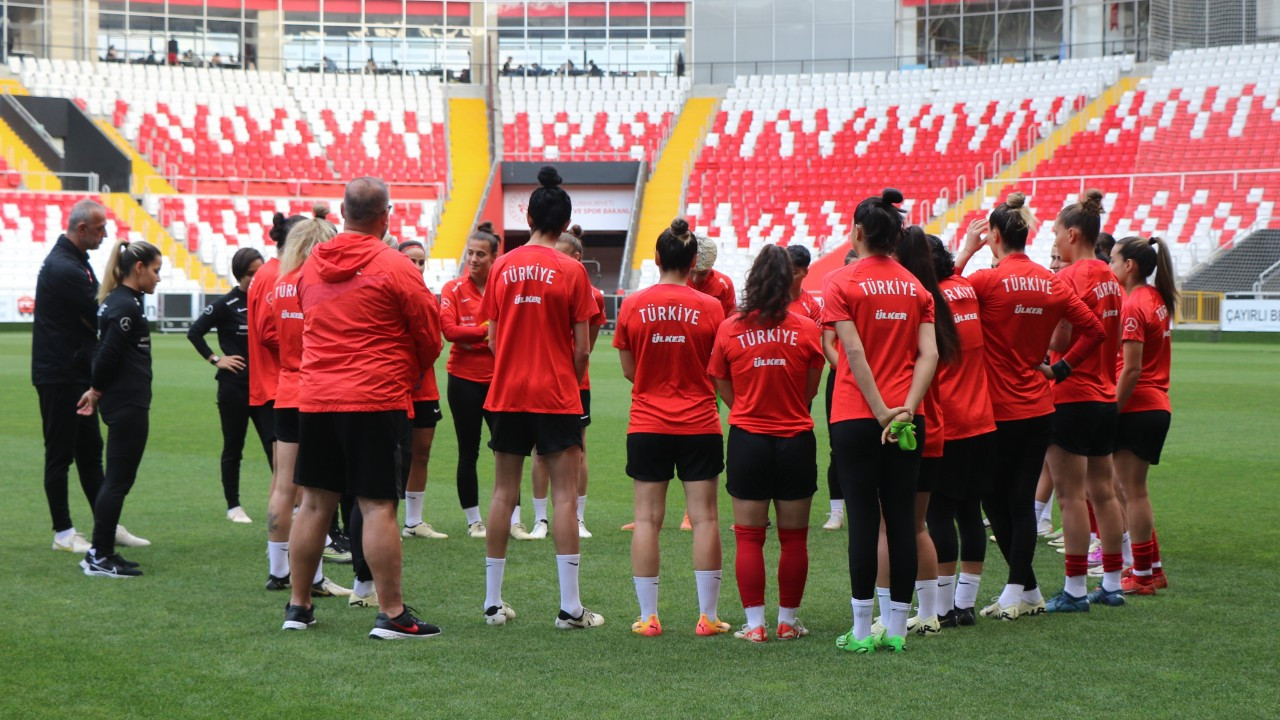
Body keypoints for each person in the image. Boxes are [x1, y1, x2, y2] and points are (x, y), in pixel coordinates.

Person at [282, 178, 443, 639]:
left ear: (342, 211)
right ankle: (391, 613)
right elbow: (428, 335)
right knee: (377, 507)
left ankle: (299, 605)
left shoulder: (311, 265)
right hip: (374, 396)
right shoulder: (395, 265)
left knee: (314, 503)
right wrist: (405, 370)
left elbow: (307, 312)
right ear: (386, 215)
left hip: (316, 396)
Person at [952, 191, 1105, 621]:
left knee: (1000, 501)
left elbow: (943, 295)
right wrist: (1062, 370)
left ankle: (1016, 591)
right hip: (1039, 407)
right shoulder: (1050, 280)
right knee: (1013, 501)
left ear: (995, 235)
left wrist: (966, 250)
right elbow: (1093, 330)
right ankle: (1029, 591)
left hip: (996, 410)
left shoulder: (985, 280)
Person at [478, 166, 603, 630]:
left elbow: (491, 338)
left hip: (507, 393)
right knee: (565, 498)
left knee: (502, 493)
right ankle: (570, 608)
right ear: (566, 223)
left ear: (528, 215)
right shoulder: (573, 272)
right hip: (555, 395)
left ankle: (493, 603)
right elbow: (583, 347)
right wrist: (567, 380)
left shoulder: (502, 266)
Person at [824, 189, 937, 654]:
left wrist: (878, 411)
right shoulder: (917, 287)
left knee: (865, 521)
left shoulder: (841, 282)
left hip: (856, 415)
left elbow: (852, 351)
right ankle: (894, 630)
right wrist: (906, 408)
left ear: (857, 233)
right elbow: (929, 354)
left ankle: (859, 630)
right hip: (909, 418)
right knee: (902, 517)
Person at [614, 218, 727, 637]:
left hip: (647, 421)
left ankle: (649, 617)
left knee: (646, 520)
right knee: (705, 519)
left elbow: (630, 369)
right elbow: (718, 370)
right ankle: (708, 617)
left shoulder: (632, 304)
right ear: (694, 261)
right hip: (700, 421)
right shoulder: (712, 307)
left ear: (657, 259)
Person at [709, 244, 824, 643]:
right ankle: (787, 622)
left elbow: (722, 384)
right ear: (789, 280)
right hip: (795, 439)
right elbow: (811, 387)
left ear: (753, 279)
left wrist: (746, 407)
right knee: (794, 539)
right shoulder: (807, 328)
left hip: (748, 440)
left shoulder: (730, 327)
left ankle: (755, 624)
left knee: (749, 536)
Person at [1042, 190, 1127, 612]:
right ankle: (1111, 582)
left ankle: (1075, 588)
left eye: (1057, 233)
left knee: (1070, 497)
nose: (1055, 241)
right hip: (1104, 395)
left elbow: (1059, 338)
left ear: (1072, 234)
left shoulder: (1069, 278)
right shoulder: (1111, 278)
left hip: (1071, 394)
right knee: (1104, 493)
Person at [264, 208, 348, 598]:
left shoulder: (280, 282)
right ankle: (309, 578)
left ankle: (278, 568)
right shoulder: (318, 283)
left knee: (283, 486)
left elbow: (272, 333)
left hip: (286, 387)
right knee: (314, 495)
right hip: (316, 391)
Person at [76, 240, 163, 577]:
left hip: (122, 399)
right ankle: (99, 554)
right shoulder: (126, 305)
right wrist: (96, 389)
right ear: (138, 268)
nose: (158, 278)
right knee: (117, 480)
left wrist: (98, 392)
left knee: (117, 479)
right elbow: (106, 356)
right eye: (155, 270)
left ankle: (102, 551)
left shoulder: (118, 301)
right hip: (127, 401)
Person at [924, 233, 996, 627]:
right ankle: (964, 604)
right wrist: (965, 253)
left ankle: (941, 606)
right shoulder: (965, 289)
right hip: (981, 421)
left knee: (939, 515)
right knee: (970, 513)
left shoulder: (927, 303)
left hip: (947, 422)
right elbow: (951, 278)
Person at [32, 199, 111, 554]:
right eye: (100, 229)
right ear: (82, 229)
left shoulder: (75, 262)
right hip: (59, 374)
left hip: (75, 371)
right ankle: (63, 532)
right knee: (60, 453)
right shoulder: (64, 267)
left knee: (90, 450)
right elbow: (98, 311)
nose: (105, 235)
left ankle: (105, 523)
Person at [529, 224, 606, 540]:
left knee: (578, 450)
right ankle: (540, 520)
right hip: (542, 380)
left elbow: (587, 345)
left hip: (575, 384)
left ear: (576, 257)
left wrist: (573, 377)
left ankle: (577, 518)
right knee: (539, 451)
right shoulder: (543, 288)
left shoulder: (595, 296)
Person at [187, 247, 272, 523]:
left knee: (276, 447)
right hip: (234, 388)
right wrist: (216, 359)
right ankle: (233, 505)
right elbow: (195, 331)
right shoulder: (226, 304)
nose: (256, 278)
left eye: (260, 272)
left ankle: (289, 503)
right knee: (233, 447)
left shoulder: (270, 300)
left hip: (265, 388)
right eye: (250, 274)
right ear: (239, 275)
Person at [1111, 236, 1176, 595]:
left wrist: (1113, 411)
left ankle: (1142, 574)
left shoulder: (1135, 304)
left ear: (1130, 266)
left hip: (1139, 406)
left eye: (1114, 261)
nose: (1111, 267)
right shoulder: (1155, 299)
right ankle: (1152, 568)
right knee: (1132, 490)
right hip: (1154, 405)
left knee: (1131, 492)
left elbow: (1131, 370)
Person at [440, 222, 504, 539]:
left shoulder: (505, 287)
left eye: (481, 254)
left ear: (495, 257)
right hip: (462, 380)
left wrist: (475, 336)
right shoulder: (452, 289)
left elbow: (510, 335)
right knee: (469, 451)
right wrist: (488, 331)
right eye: (470, 253)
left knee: (506, 451)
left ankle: (513, 521)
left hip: (498, 380)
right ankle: (474, 521)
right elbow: (451, 332)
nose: (474, 259)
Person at [396, 239, 447, 540]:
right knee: (394, 453)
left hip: (424, 385)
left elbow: (434, 343)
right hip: (396, 386)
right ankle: (387, 513)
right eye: (410, 261)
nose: (417, 267)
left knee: (422, 452)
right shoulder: (389, 293)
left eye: (421, 261)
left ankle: (414, 521)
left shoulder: (430, 297)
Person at [820, 248, 858, 532]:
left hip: (873, 379)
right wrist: (849, 372)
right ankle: (836, 511)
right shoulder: (838, 298)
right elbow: (828, 341)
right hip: (843, 380)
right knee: (839, 446)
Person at [687, 235, 736, 318]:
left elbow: (731, 319)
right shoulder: (675, 283)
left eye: (702, 274)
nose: (695, 279)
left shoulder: (725, 284)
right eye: (691, 272)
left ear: (711, 267)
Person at [786, 245, 823, 324]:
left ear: (805, 272)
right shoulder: (769, 300)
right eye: (784, 270)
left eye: (793, 272)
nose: (787, 275)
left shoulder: (812, 307)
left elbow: (816, 335)